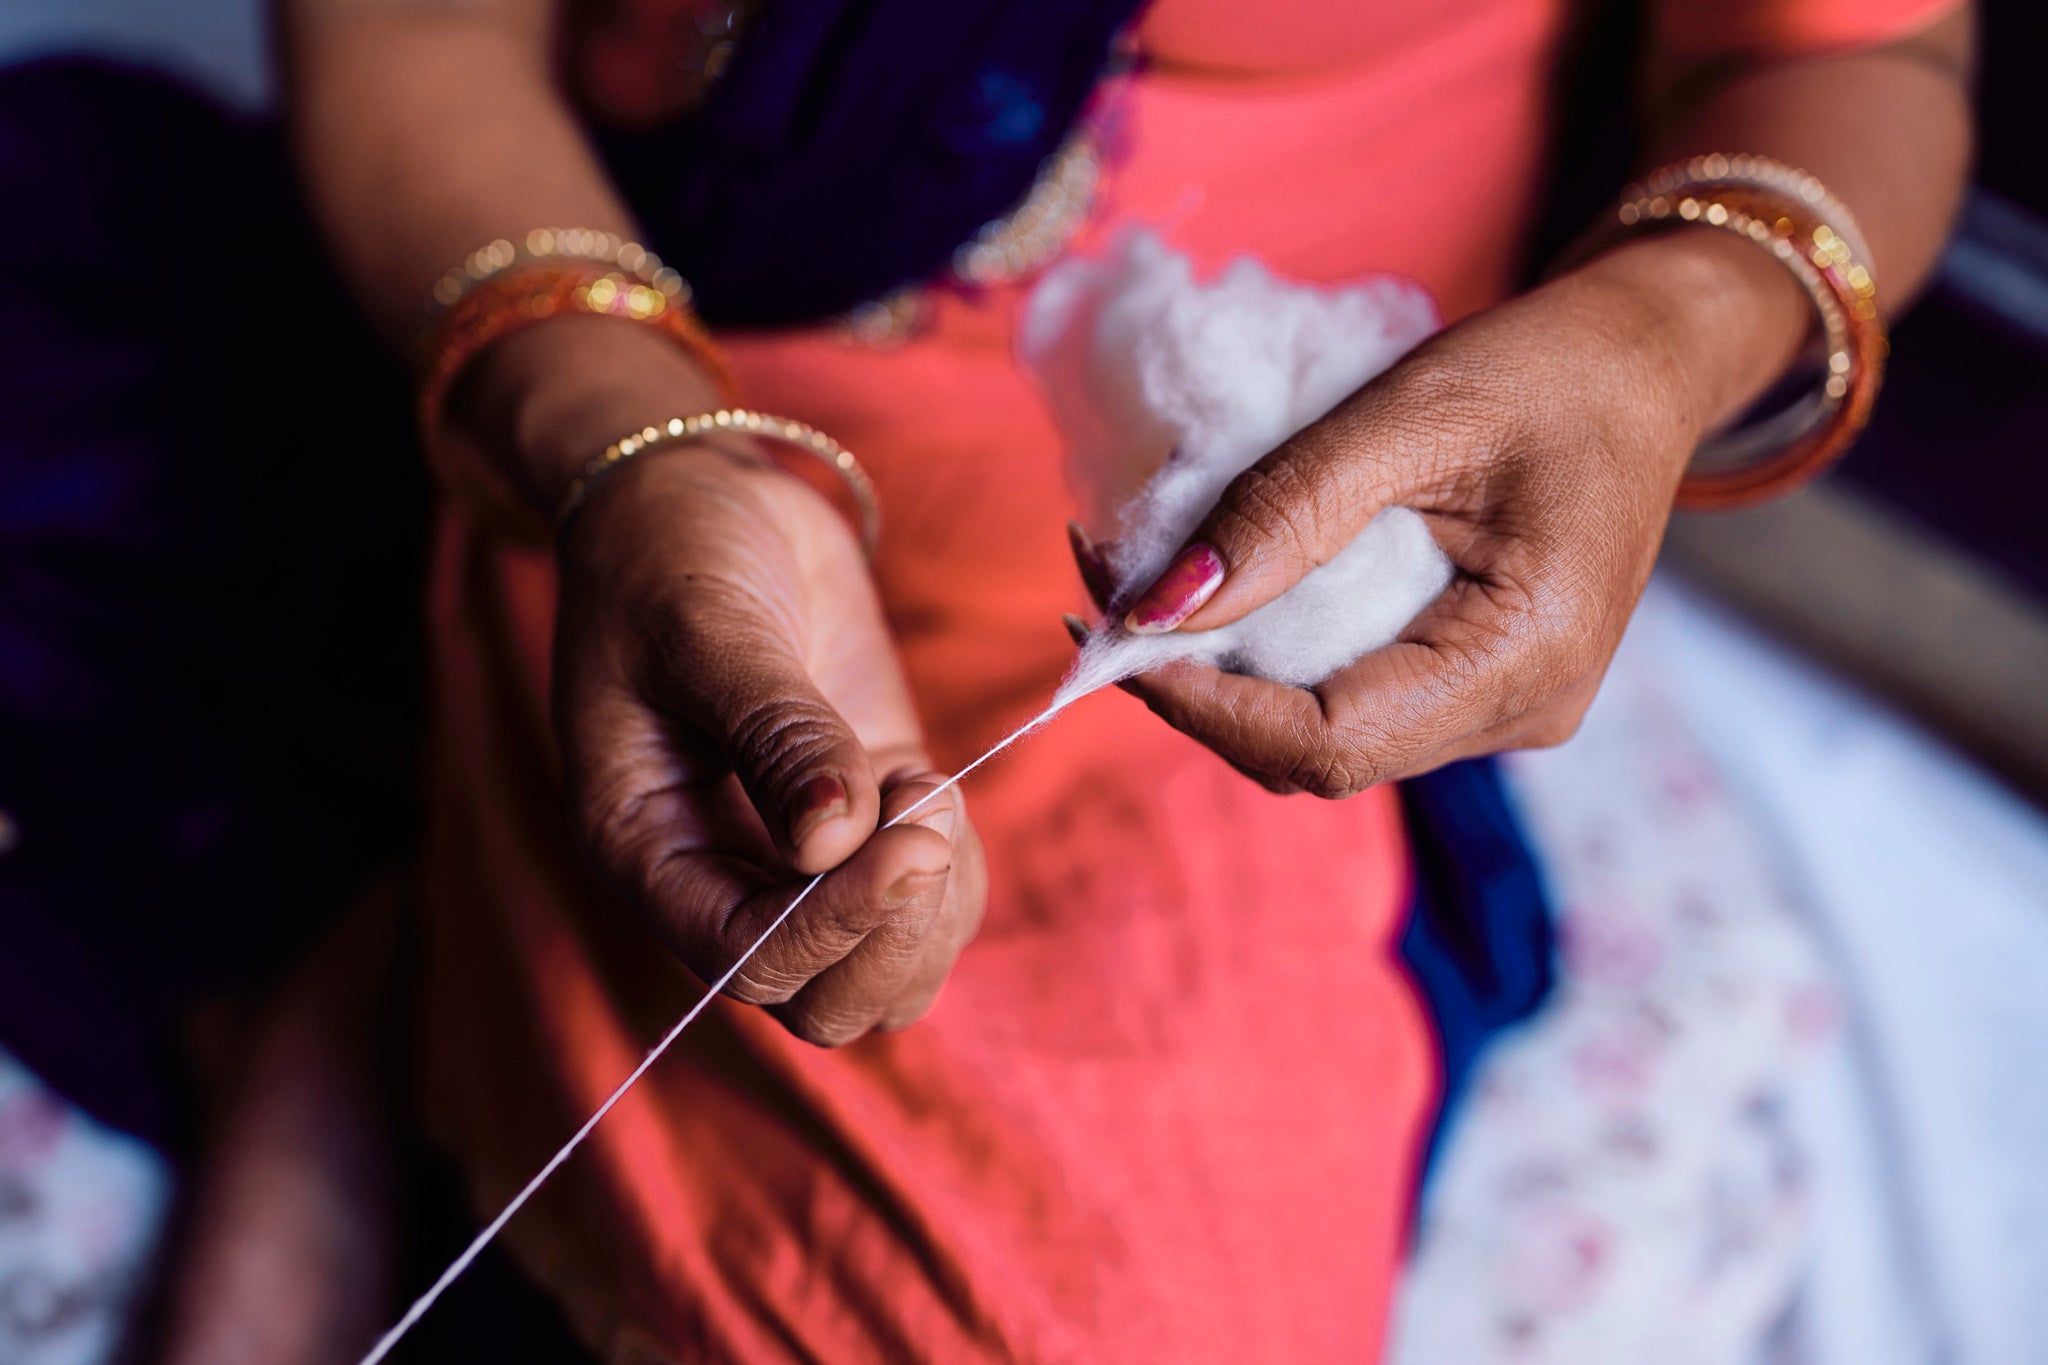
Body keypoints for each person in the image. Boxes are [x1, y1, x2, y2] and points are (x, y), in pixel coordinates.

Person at [37, 0, 1976, 1359]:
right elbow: (418, 30)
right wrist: (620, 432)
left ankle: (371, 955)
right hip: (629, 374)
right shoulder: (631, 428)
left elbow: (1845, 52)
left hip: (1215, 541)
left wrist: (1663, 333)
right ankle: (376, 956)